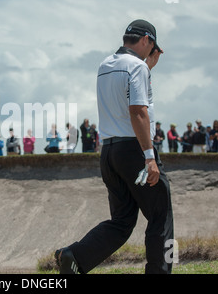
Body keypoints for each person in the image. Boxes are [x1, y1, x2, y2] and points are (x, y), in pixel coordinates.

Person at [56, 19, 173, 274]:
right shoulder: (136, 67)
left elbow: (123, 101)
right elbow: (137, 112)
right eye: (152, 46)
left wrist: (147, 68)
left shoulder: (105, 65)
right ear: (146, 41)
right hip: (134, 150)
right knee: (160, 215)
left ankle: (74, 255)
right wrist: (149, 157)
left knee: (121, 221)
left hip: (109, 152)